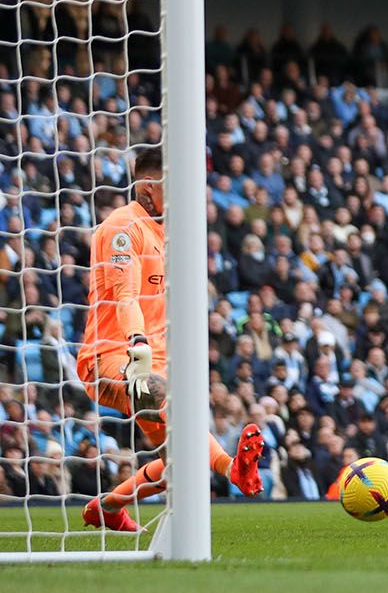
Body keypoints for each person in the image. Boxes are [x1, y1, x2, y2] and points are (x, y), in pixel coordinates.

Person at [78, 147, 264, 532]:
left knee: (181, 462)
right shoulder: (122, 228)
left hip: (158, 360)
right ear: (148, 187)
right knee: (164, 396)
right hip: (114, 356)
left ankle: (106, 508)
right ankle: (232, 469)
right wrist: (139, 345)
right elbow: (124, 295)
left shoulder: (170, 232)